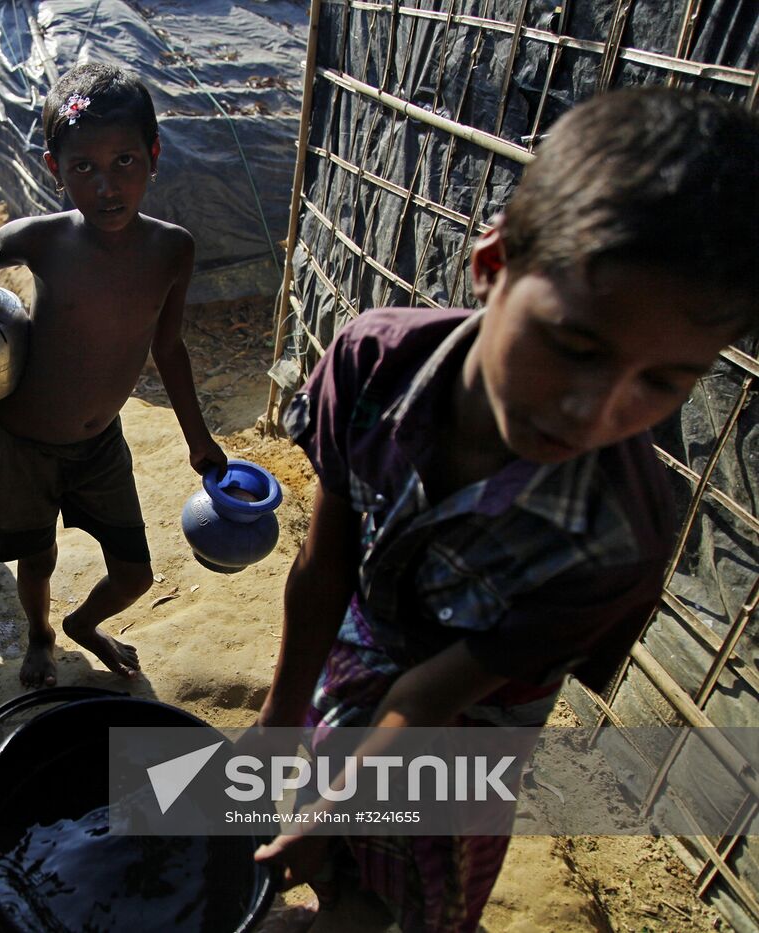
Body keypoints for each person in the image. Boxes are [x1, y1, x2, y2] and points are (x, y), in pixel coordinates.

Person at [254, 87, 759, 932]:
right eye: (574, 345)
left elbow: (435, 694)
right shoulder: (372, 364)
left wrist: (337, 805)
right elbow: (322, 566)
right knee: (324, 820)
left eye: (663, 382)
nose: (593, 411)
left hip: (470, 721)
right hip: (364, 639)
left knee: (421, 872)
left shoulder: (613, 536)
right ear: (493, 266)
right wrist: (274, 726)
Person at [0, 63, 226, 688]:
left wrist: (198, 437)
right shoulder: (39, 239)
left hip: (101, 443)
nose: (107, 186)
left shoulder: (171, 250)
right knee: (37, 556)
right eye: (84, 168)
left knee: (134, 574)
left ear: (153, 155)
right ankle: (42, 635)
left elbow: (170, 346)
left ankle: (83, 624)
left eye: (125, 161)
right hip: (25, 440)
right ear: (55, 169)